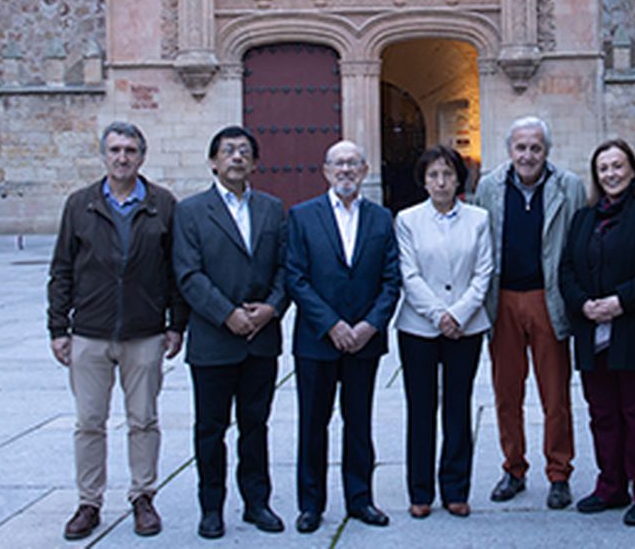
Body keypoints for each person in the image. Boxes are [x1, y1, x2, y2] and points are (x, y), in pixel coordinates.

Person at [46, 121, 185, 540]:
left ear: (142, 156)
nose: (122, 158)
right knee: (89, 421)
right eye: (114, 150)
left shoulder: (163, 204)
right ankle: (89, 502)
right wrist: (58, 327)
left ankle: (143, 496)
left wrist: (176, 324)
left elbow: (175, 270)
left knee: (143, 419)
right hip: (90, 332)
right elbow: (62, 269)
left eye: (130, 151)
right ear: (103, 155)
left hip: (144, 333)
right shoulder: (80, 204)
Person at [173, 125, 289, 537]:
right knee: (210, 428)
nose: (236, 157)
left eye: (244, 151)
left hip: (261, 340)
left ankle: (257, 503)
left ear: (255, 162)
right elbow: (188, 275)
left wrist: (271, 308)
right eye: (228, 151)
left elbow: (284, 268)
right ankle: (211, 507)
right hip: (213, 341)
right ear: (213, 162)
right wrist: (227, 315)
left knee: (255, 425)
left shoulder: (273, 209)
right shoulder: (189, 212)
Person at [559, 138, 635, 527]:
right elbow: (566, 270)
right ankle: (611, 485)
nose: (611, 174)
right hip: (594, 332)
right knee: (603, 414)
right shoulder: (584, 218)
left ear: (632, 169)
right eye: (603, 168)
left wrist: (620, 301)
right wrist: (583, 304)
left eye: (617, 166)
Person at [285, 140, 402, 532]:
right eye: (338, 164)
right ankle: (311, 505)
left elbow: (391, 280)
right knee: (312, 424)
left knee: (359, 423)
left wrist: (370, 325)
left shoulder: (382, 219)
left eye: (353, 163)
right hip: (317, 341)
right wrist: (332, 324)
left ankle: (360, 499)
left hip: (365, 341)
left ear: (365, 170)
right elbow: (296, 278)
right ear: (325, 171)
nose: (346, 170)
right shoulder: (302, 216)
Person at [472, 116, 585, 509]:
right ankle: (513, 468)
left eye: (535, 147)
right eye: (521, 147)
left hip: (546, 298)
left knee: (555, 394)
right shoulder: (489, 187)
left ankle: (559, 473)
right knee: (506, 392)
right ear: (509, 150)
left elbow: (578, 242)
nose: (528, 155)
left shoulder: (568, 186)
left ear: (546, 151)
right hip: (502, 300)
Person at [393, 145, 494, 519]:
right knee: (421, 409)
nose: (440, 181)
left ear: (458, 179)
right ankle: (420, 491)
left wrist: (460, 314)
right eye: (433, 174)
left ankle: (455, 489)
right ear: (423, 179)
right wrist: (439, 315)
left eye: (448, 174)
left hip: (466, 328)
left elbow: (484, 272)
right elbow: (409, 273)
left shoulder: (479, 219)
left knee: (457, 407)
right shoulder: (407, 219)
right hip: (419, 327)